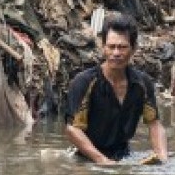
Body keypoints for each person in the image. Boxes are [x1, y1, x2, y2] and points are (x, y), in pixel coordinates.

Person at [65, 13, 168, 164]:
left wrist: (162, 157)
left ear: (133, 49)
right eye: (111, 47)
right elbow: (72, 129)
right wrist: (102, 160)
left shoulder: (142, 84)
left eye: (122, 47)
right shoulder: (84, 82)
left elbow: (154, 124)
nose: (116, 53)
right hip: (86, 158)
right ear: (103, 47)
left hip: (124, 156)